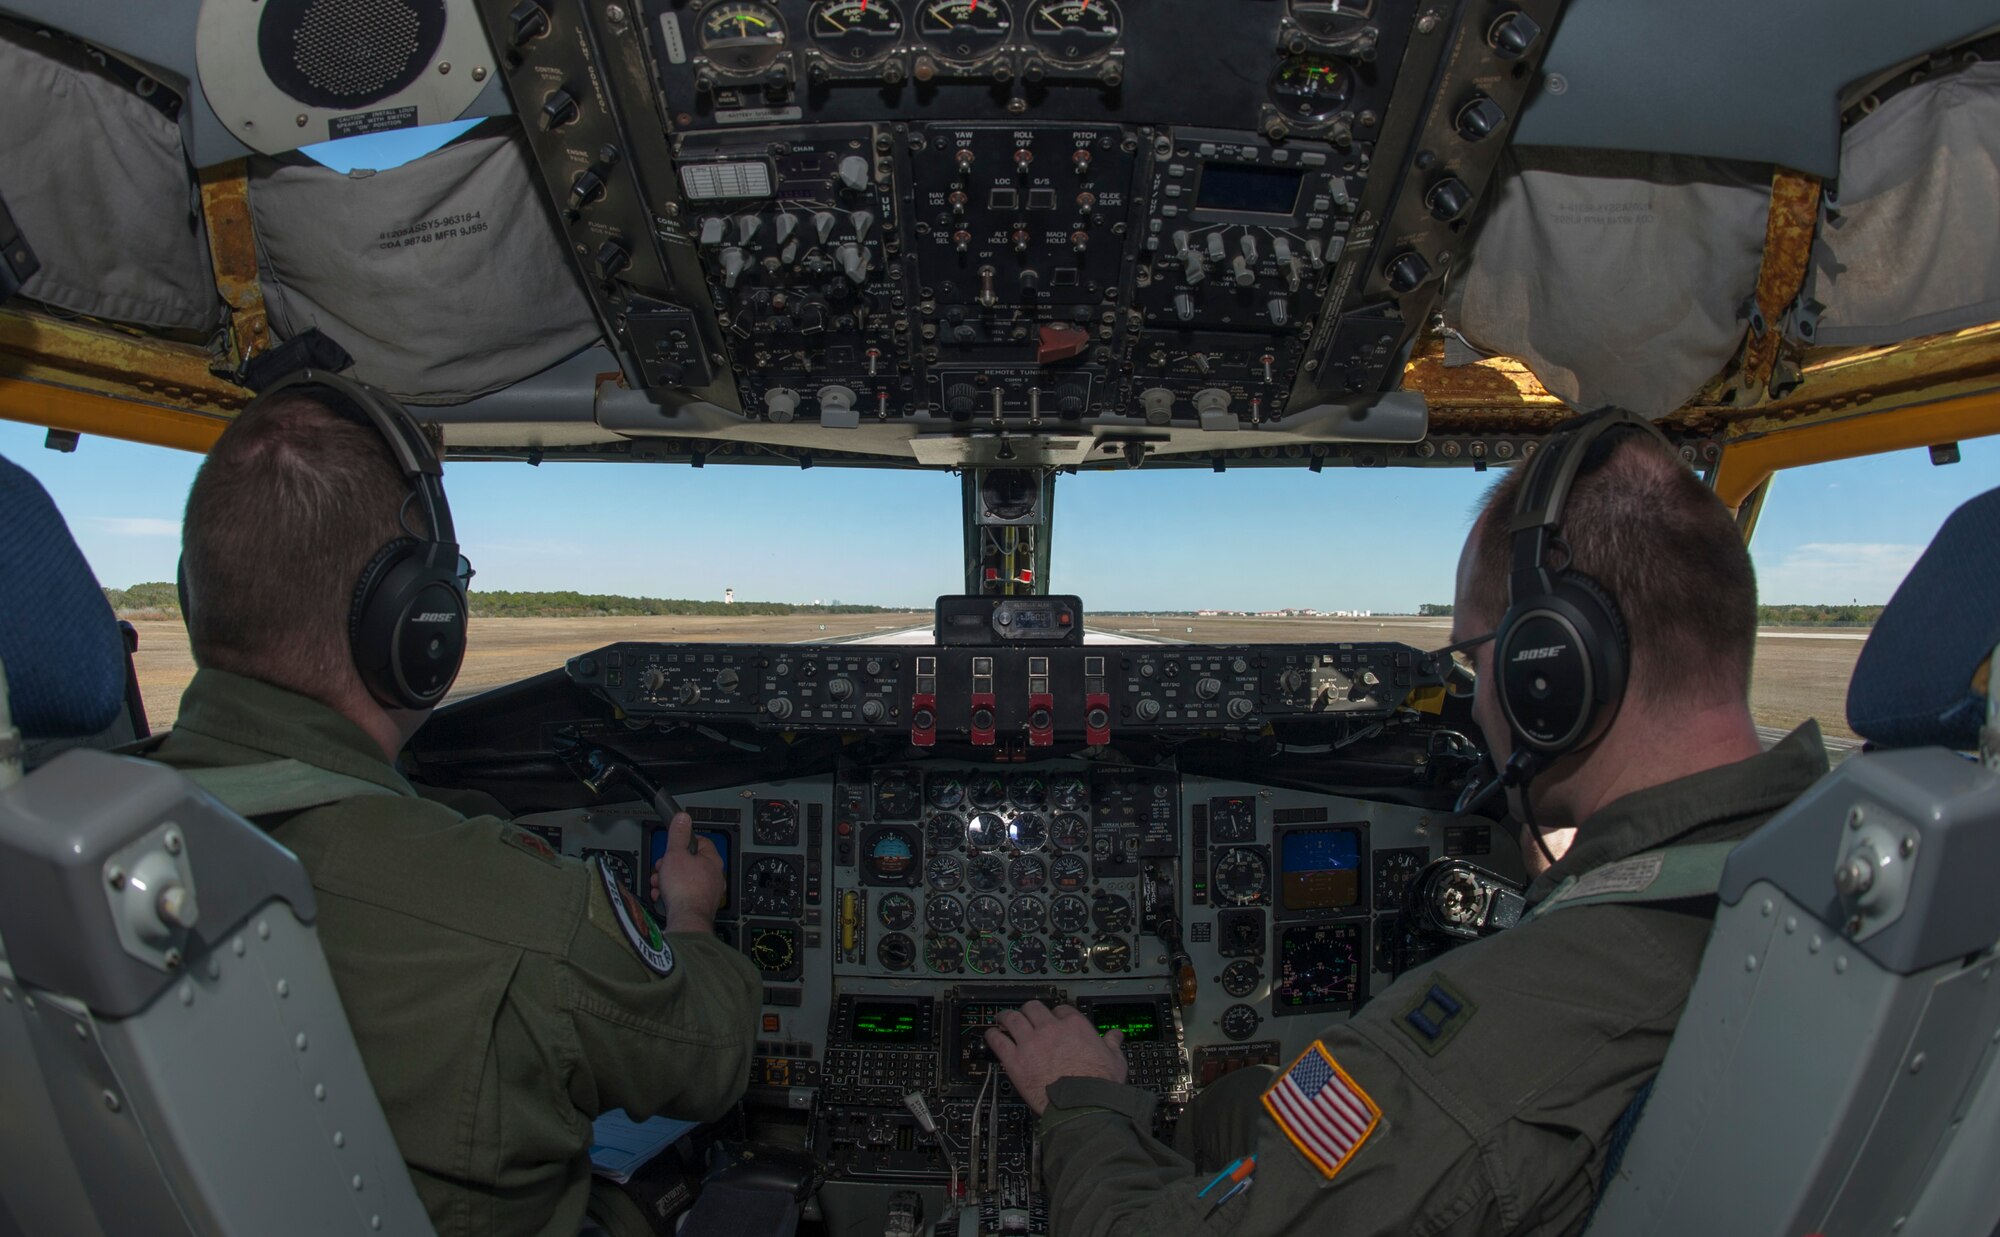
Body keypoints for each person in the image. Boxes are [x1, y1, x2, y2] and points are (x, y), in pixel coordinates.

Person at [986, 412, 1830, 1236]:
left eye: (1474, 656)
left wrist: (1083, 1092)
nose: (1477, 697)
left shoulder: (1480, 1041)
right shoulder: (1830, 872)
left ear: (1552, 670)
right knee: (1241, 1103)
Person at [154, 374, 760, 1237]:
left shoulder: (74, 837)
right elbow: (714, 1057)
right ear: (417, 623)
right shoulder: (513, 912)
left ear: (194, 593)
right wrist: (693, 916)